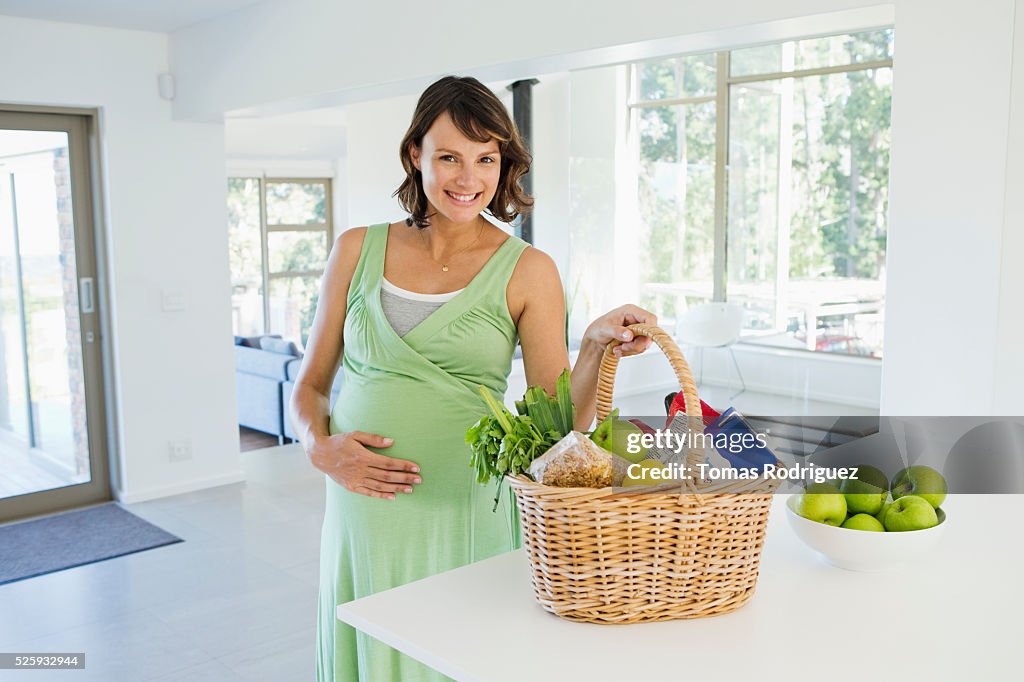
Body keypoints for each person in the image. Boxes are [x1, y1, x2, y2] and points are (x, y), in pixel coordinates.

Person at [289, 75, 657, 682]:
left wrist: (592, 346)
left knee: (457, 655)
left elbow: (560, 427)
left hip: (468, 510)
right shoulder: (356, 249)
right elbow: (311, 386)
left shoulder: (528, 270)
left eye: (486, 158)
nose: (468, 179)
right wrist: (320, 448)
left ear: (503, 164)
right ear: (416, 155)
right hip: (363, 510)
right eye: (450, 157)